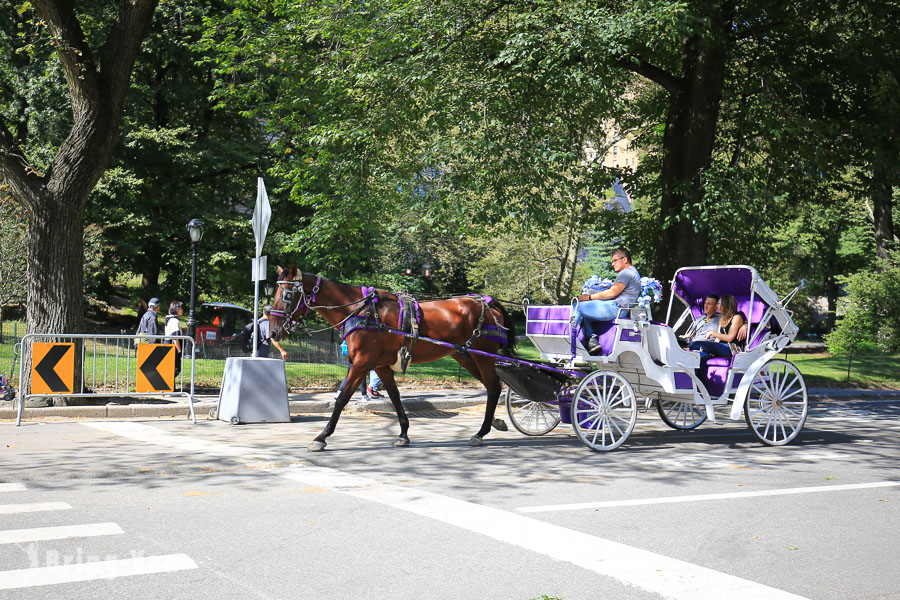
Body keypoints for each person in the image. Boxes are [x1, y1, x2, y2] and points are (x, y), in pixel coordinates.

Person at [573, 247, 641, 353]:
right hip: (621, 308)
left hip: (617, 308)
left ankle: (568, 337)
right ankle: (592, 342)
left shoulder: (626, 273)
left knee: (577, 307)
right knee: (585, 310)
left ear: (624, 259)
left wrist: (589, 297)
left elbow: (612, 293)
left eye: (615, 260)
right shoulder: (633, 273)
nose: (613, 264)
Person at [689, 294, 746, 368]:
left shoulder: (736, 317)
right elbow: (718, 339)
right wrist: (711, 350)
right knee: (701, 356)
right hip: (721, 347)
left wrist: (713, 333)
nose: (716, 306)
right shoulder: (723, 318)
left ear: (725, 305)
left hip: (732, 349)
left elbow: (729, 338)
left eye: (718, 303)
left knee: (696, 344)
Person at [165, 301, 184, 376]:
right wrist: (179, 350)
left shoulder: (169, 319)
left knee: (172, 368)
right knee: (176, 369)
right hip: (173, 348)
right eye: (181, 308)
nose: (182, 310)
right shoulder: (174, 321)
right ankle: (167, 384)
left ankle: (171, 386)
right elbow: (175, 337)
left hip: (168, 346)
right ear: (177, 309)